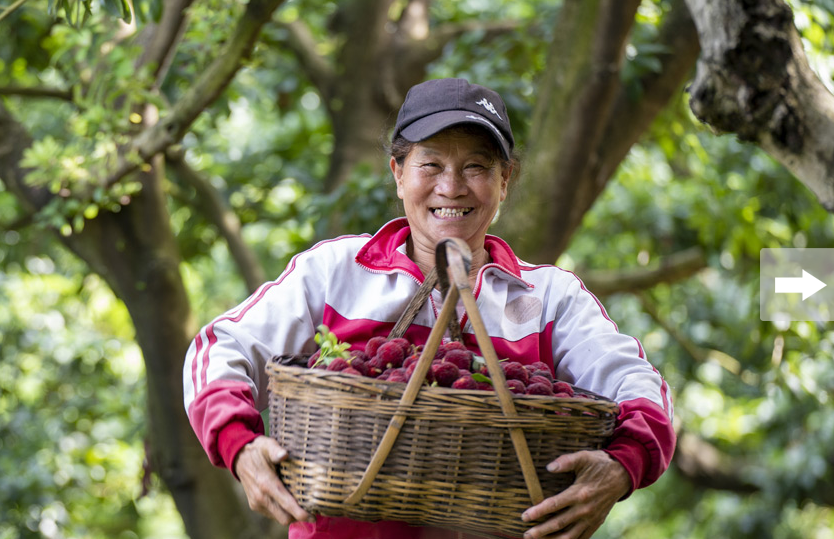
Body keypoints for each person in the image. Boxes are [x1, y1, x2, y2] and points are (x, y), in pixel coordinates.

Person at [183, 78, 675, 539]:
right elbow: (219, 347)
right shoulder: (334, 272)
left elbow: (639, 386)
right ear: (398, 174)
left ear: (505, 181)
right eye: (431, 164)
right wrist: (239, 445)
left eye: (477, 167)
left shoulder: (551, 298)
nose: (452, 186)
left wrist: (623, 464)